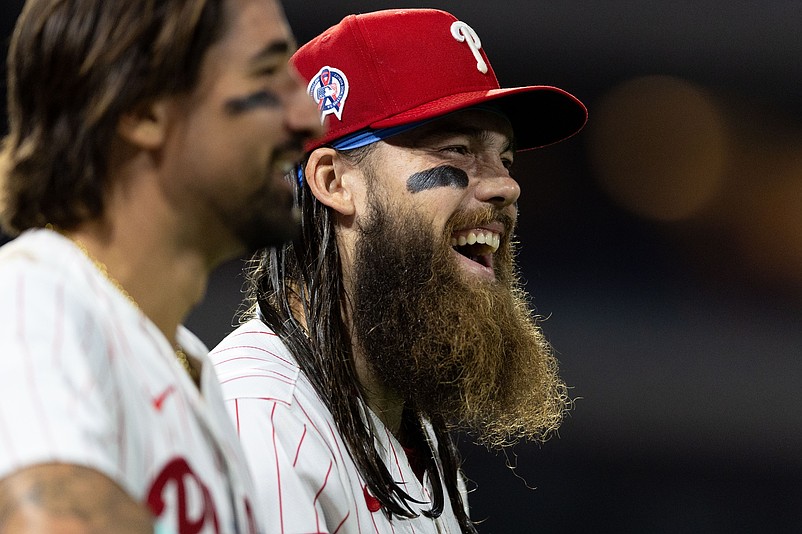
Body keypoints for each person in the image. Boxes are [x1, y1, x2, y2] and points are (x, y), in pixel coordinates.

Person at [211, 8, 587, 534]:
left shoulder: (413, 431)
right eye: (457, 148)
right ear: (334, 181)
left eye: (506, 159)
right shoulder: (261, 419)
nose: (506, 186)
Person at [0, 0, 321, 531]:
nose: (309, 117)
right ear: (143, 109)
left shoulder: (192, 367)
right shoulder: (34, 297)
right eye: (268, 73)